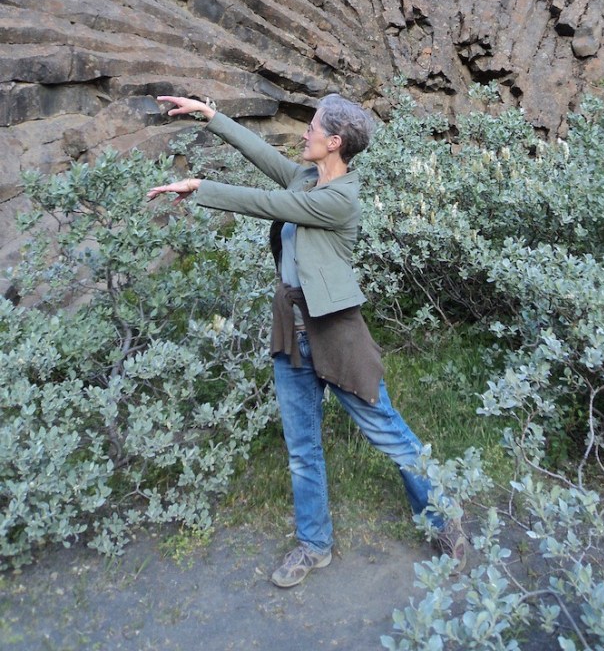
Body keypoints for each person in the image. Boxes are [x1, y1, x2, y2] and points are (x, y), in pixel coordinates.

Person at [146, 93, 468, 588]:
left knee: (389, 434)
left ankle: (444, 519)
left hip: (336, 330)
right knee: (301, 448)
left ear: (334, 142)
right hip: (290, 327)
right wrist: (212, 117)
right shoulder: (307, 177)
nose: (304, 134)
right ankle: (314, 546)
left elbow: (271, 204)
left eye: (312, 128)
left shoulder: (340, 197)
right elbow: (265, 157)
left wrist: (201, 187)